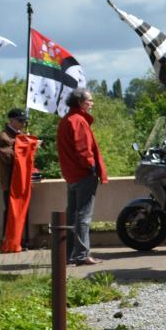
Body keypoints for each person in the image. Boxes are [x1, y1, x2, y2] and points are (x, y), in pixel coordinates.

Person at [58, 88, 107, 266]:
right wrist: (92, 167)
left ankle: (69, 255)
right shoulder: (78, 120)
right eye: (90, 101)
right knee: (83, 217)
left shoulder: (66, 120)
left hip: (71, 175)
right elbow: (83, 149)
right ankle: (81, 255)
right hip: (83, 175)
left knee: (72, 216)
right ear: (80, 102)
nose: (92, 103)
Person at [0, 108, 30, 248]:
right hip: (10, 181)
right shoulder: (3, 137)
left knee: (23, 211)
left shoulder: (20, 135)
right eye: (20, 121)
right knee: (11, 212)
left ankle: (23, 241)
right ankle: (9, 241)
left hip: (21, 180)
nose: (23, 124)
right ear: (11, 120)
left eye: (24, 121)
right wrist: (23, 145)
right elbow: (9, 157)